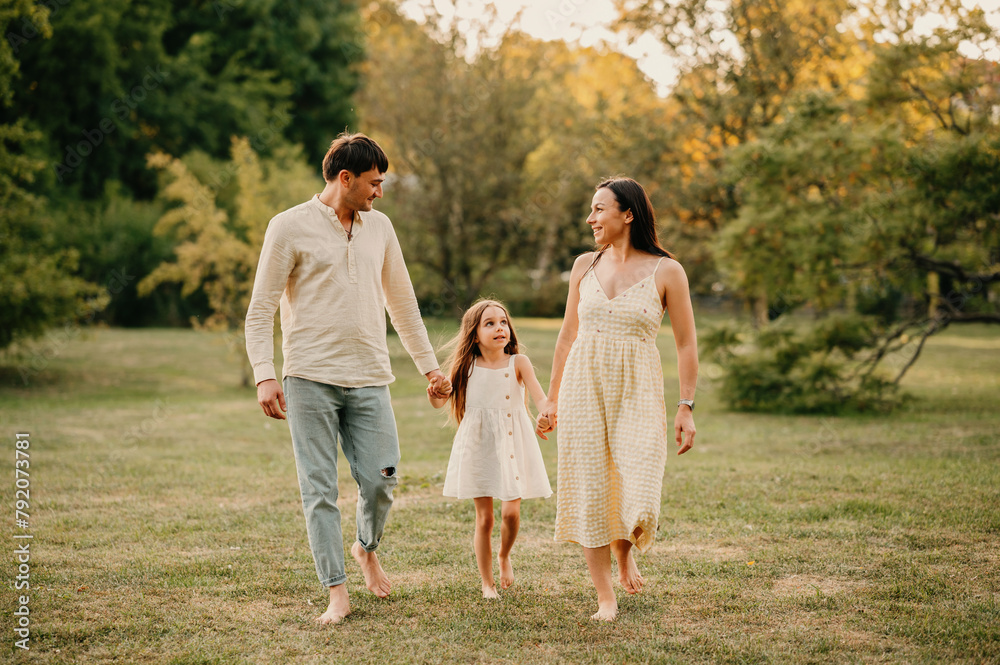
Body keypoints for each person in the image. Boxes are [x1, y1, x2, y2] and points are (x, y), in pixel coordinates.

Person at [245, 132, 450, 625]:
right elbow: (260, 310)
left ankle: (365, 547)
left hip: (369, 376)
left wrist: (431, 369)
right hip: (309, 377)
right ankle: (336, 592)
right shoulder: (288, 226)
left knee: (382, 478)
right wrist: (264, 375)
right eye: (374, 183)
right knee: (318, 489)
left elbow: (403, 304)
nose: (379, 192)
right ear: (346, 178)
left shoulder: (380, 228)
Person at [536, 176, 698, 621]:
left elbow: (686, 344)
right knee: (591, 486)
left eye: (599, 209)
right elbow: (567, 336)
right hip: (583, 388)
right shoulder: (584, 265)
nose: (590, 218)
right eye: (591, 210)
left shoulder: (667, 271)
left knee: (637, 480)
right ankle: (605, 596)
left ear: (628, 214)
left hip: (638, 391)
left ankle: (625, 547)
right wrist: (550, 399)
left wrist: (687, 406)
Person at [428, 299, 553, 599]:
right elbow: (439, 401)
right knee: (485, 519)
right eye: (490, 323)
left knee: (511, 514)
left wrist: (546, 415)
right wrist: (436, 391)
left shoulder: (518, 363)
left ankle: (504, 555)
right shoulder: (465, 367)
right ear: (474, 334)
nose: (500, 328)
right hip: (478, 446)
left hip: (513, 441)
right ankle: (487, 583)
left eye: (503, 322)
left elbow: (540, 398)